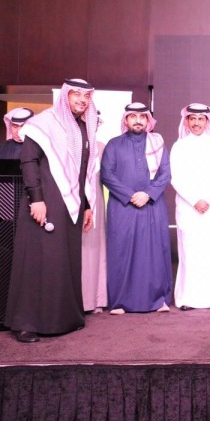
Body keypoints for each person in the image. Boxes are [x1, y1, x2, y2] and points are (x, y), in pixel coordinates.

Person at [4, 79, 97, 343]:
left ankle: (64, 318)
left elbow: (83, 171)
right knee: (36, 262)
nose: (82, 100)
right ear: (65, 96)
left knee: (63, 262)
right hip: (44, 202)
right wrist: (36, 199)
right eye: (76, 94)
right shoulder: (43, 123)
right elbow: (29, 160)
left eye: (86, 96)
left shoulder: (84, 127)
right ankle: (25, 323)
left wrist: (86, 205)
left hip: (71, 206)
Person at [101, 102, 172, 314]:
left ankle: (158, 300)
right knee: (122, 252)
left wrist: (147, 194)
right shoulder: (113, 144)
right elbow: (107, 175)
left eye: (142, 117)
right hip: (122, 207)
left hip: (152, 205)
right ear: (126, 120)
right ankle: (120, 302)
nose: (138, 121)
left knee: (154, 252)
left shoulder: (157, 144)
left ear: (148, 120)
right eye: (133, 117)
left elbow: (165, 174)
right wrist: (130, 195)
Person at [170, 103, 210, 310]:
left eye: (200, 119)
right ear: (186, 121)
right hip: (188, 207)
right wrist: (195, 200)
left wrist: (208, 199)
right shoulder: (179, 146)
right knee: (190, 251)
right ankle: (187, 298)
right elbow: (176, 178)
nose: (196, 123)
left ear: (207, 121)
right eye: (192, 119)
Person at [81, 111, 108, 312]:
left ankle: (95, 300)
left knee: (94, 248)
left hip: (96, 201)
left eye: (94, 121)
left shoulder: (102, 147)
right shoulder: (67, 144)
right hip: (71, 200)